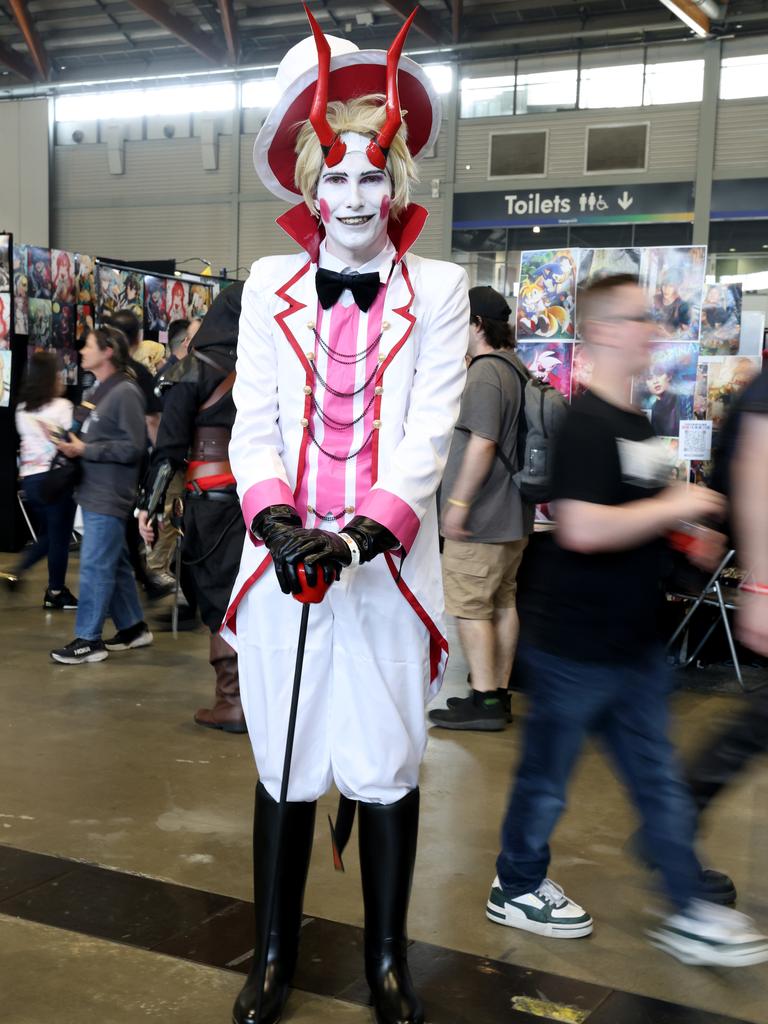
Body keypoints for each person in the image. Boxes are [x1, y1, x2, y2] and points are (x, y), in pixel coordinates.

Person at [221, 15, 468, 1024]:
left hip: (387, 570)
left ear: (397, 181)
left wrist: (359, 536)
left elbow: (428, 434)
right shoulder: (268, 284)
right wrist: (280, 526)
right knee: (285, 755)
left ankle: (386, 964)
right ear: (309, 185)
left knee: (386, 760)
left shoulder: (441, 288)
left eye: (373, 178)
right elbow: (255, 424)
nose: (355, 199)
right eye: (337, 179)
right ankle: (273, 956)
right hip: (284, 561)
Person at [486, 274, 768, 967]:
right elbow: (581, 527)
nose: (655, 330)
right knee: (547, 780)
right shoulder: (583, 424)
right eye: (641, 319)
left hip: (634, 645)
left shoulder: (638, 425)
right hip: (575, 648)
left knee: (658, 782)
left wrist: (682, 529)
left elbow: (633, 510)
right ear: (606, 331)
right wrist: (681, 507)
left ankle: (688, 909)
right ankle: (517, 884)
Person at [139, 284, 246, 733]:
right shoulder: (269, 367)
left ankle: (233, 702)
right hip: (265, 502)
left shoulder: (190, 370)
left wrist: (149, 509)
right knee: (254, 599)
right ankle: (257, 699)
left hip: (212, 503)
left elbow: (168, 450)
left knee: (217, 599)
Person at [429, 286, 533, 731]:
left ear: (476, 325)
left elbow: (484, 443)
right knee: (503, 602)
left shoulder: (487, 373)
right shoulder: (516, 369)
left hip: (482, 518)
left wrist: (457, 503)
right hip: (512, 515)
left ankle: (485, 699)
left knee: (470, 607)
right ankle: (496, 693)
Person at [50, 327, 152, 664]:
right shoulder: (101, 389)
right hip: (94, 488)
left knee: (95, 565)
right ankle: (134, 627)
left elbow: (134, 447)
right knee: (116, 562)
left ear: (108, 351)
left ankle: (88, 639)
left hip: (110, 492)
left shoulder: (124, 392)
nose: (81, 351)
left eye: (88, 346)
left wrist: (86, 448)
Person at [11, 352, 78, 608]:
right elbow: (68, 442)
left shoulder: (21, 408)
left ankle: (52, 589)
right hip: (57, 479)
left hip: (30, 480)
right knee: (58, 537)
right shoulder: (62, 407)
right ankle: (53, 589)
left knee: (48, 532)